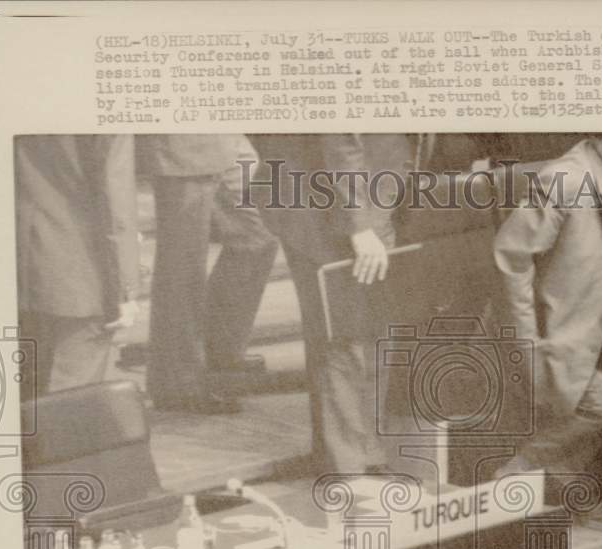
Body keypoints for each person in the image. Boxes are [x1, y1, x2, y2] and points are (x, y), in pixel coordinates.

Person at [491, 132, 602, 489]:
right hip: (560, 334)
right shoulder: (567, 180)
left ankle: (554, 491)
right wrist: (528, 341)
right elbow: (510, 258)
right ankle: (513, 476)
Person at [250, 134, 419, 474]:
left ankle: (362, 454)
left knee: (371, 332)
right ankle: (347, 468)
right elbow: (341, 143)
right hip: (327, 207)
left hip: (365, 197)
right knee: (344, 335)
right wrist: (359, 226)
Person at [138, 134, 278, 414]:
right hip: (185, 146)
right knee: (184, 266)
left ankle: (218, 353)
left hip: (228, 138)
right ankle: (177, 383)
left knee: (261, 235)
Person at [15, 134, 140, 397]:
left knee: (22, 403)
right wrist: (126, 289)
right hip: (81, 272)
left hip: (20, 258)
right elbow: (116, 203)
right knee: (71, 409)